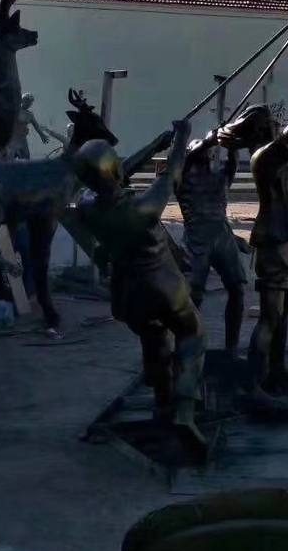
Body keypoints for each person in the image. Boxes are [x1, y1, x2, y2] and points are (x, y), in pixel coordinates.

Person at [73, 118, 213, 454]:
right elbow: (172, 174)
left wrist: (153, 146)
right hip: (163, 288)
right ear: (113, 169)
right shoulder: (143, 208)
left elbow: (113, 176)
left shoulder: (86, 208)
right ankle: (183, 412)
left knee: (153, 339)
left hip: (128, 296)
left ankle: (161, 403)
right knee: (192, 334)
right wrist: (180, 139)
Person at [217, 64, 288, 406]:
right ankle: (252, 386)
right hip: (273, 239)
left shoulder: (273, 152)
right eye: (272, 122)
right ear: (263, 130)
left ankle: (277, 369)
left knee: (284, 308)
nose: (278, 125)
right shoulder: (264, 157)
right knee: (270, 315)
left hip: (285, 236)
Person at [177, 142, 246, 360]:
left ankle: (231, 348)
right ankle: (187, 349)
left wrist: (232, 141)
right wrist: (210, 139)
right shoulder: (183, 179)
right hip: (197, 240)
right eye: (203, 149)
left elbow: (233, 162)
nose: (208, 152)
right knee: (193, 296)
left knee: (237, 289)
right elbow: (187, 160)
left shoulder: (220, 176)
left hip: (222, 237)